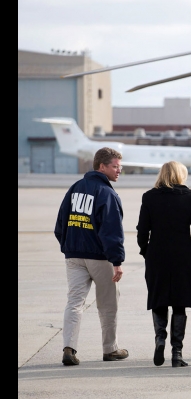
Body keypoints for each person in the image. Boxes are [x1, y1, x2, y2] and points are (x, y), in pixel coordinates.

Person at [54, 147, 129, 366]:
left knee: (74, 302)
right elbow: (112, 232)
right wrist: (117, 261)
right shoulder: (107, 193)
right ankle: (110, 349)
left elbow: (60, 224)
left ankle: (69, 348)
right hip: (99, 257)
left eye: (120, 166)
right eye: (115, 166)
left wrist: (69, 246)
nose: (119, 171)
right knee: (108, 304)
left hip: (74, 256)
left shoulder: (75, 188)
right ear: (101, 166)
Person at [136, 161, 191, 367]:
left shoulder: (149, 197)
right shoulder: (190, 197)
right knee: (180, 303)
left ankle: (160, 339)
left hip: (157, 254)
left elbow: (142, 230)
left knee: (158, 299)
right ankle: (177, 352)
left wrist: (145, 250)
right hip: (183, 254)